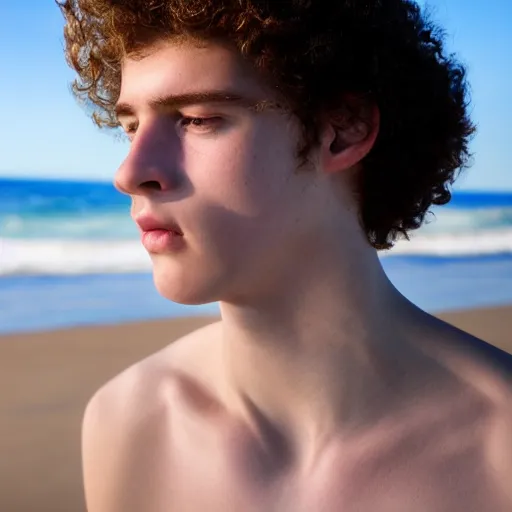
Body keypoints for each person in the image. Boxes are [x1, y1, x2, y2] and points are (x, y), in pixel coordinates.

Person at [57, 1, 512, 510]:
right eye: (131, 127)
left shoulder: (501, 450)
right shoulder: (128, 423)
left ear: (343, 129)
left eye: (198, 119)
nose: (128, 171)